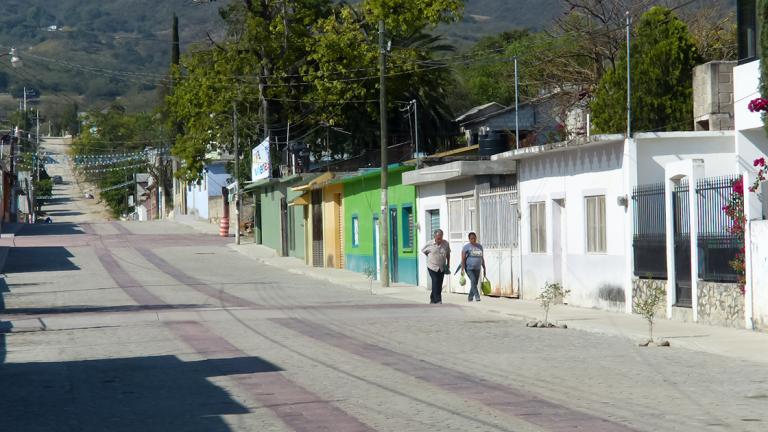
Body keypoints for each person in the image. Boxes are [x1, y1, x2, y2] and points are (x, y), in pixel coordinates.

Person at [421, 229, 450, 304]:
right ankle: (438, 300)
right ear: (435, 237)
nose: (439, 240)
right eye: (438, 238)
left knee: (439, 283)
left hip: (442, 267)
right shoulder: (429, 244)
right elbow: (423, 251)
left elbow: (448, 254)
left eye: (441, 238)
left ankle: (432, 299)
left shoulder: (446, 243)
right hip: (432, 267)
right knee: (435, 281)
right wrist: (431, 256)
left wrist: (448, 263)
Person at [461, 232, 486, 302]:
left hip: (477, 268)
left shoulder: (479, 247)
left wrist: (484, 267)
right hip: (469, 268)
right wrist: (462, 269)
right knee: (473, 281)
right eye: (472, 238)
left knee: (474, 283)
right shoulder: (466, 247)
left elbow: (481, 257)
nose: (473, 240)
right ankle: (477, 296)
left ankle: (470, 297)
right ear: (469, 239)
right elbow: (463, 259)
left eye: (474, 238)